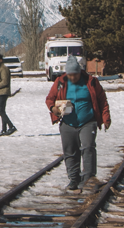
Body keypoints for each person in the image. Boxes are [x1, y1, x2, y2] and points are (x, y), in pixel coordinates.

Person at [45, 57, 110, 192]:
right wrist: (53, 109)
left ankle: (88, 179)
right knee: (70, 152)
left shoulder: (91, 82)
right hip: (68, 123)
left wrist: (106, 118)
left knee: (88, 148)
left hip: (87, 121)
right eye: (70, 75)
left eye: (75, 74)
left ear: (80, 72)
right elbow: (50, 99)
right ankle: (74, 179)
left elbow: (102, 99)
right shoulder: (60, 82)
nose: (72, 77)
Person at [0, 52, 16, 136]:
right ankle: (4, 129)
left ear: (0, 60)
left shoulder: (3, 69)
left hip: (3, 92)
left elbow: (4, 81)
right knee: (2, 111)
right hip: (1, 92)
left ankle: (11, 126)